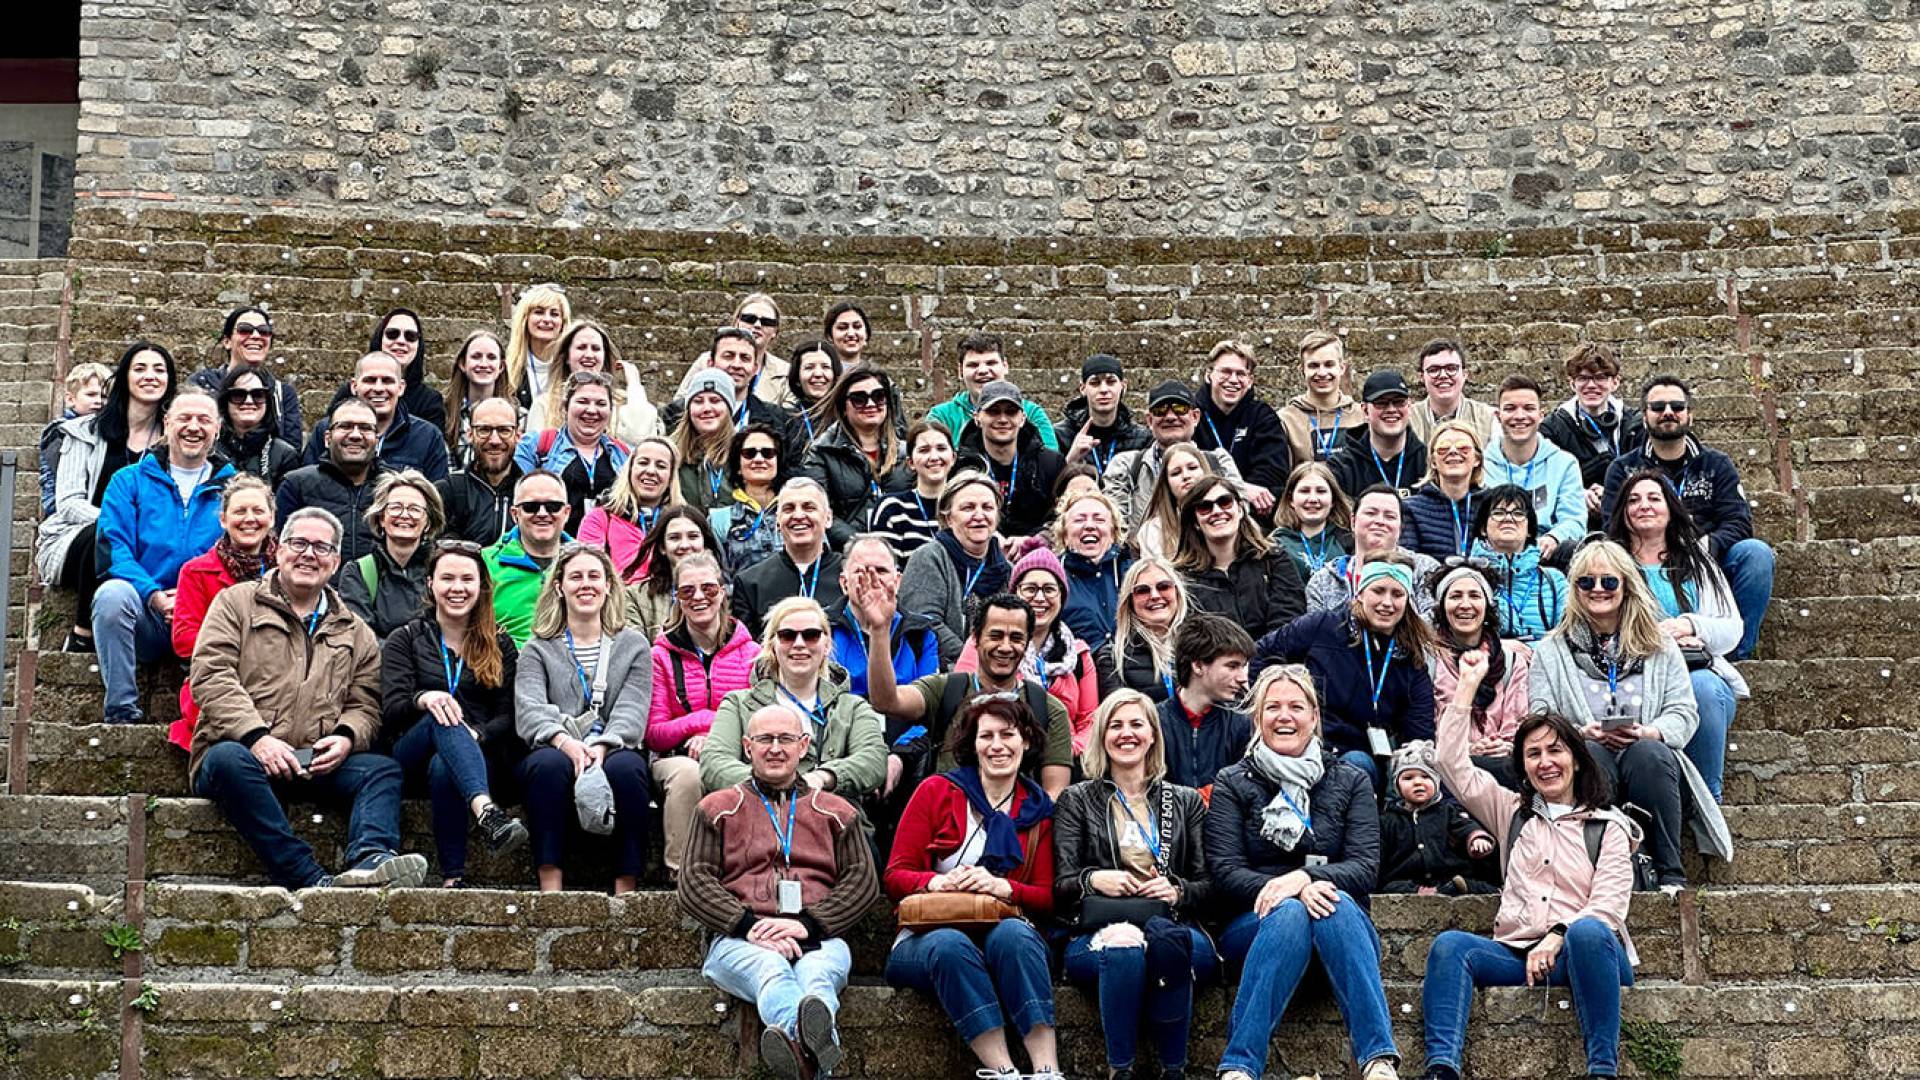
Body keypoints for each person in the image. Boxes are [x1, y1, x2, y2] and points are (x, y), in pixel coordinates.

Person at [187, 507, 429, 890]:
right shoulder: (236, 604)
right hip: (242, 753)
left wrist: (347, 737)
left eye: (321, 547)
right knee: (227, 760)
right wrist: (257, 738)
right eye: (298, 543)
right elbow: (211, 676)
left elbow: (366, 702)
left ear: (335, 562)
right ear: (279, 550)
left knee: (382, 770)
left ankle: (371, 860)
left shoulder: (356, 630)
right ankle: (307, 877)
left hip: (313, 760)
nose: (308, 554)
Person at [1421, 664, 1643, 1080]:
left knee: (1587, 931)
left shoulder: (1607, 826)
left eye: (1555, 750)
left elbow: (1608, 908)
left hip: (1588, 956)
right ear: (1522, 766)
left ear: (1576, 759)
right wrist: (1467, 687)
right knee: (1451, 946)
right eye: (1534, 754)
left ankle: (1602, 1070)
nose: (1546, 763)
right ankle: (1441, 1069)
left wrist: (1557, 935)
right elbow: (1450, 764)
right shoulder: (1512, 815)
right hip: (1518, 953)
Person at [1206, 663, 1400, 1080]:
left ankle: (1378, 1062)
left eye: (1296, 706)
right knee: (1294, 911)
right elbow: (1225, 871)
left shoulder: (1349, 779)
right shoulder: (1232, 781)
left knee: (1336, 903)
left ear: (1314, 716)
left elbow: (1366, 867)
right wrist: (1290, 891)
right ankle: (1239, 1067)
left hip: (1341, 930)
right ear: (1258, 718)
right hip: (1256, 927)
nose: (1284, 716)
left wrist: (1307, 880)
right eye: (1272, 707)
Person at [679, 701, 881, 1080]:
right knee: (772, 970)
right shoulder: (716, 808)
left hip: (820, 936)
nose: (775, 748)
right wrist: (749, 926)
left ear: (803, 746)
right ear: (746, 745)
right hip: (739, 940)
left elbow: (863, 882)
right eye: (765, 739)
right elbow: (693, 880)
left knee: (816, 978)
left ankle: (800, 1057)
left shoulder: (837, 811)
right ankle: (807, 1041)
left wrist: (810, 925)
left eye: (785, 739)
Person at [1530, 541, 1732, 889]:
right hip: (1585, 761)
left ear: (1626, 586)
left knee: (1648, 754)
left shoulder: (1660, 644)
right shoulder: (1550, 650)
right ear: (1574, 588)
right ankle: (1604, 870)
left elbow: (1684, 712)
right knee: (1590, 755)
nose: (1597, 590)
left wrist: (1650, 732)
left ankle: (1670, 871)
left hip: (1651, 765)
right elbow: (1540, 717)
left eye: (1608, 582)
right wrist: (1581, 733)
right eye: (1586, 582)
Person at [882, 696, 1063, 1080]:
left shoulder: (1039, 809)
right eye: (987, 736)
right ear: (973, 744)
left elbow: (1048, 897)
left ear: (1026, 741)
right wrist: (940, 881)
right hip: (926, 938)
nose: (997, 745)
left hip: (1004, 936)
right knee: (952, 945)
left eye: (1008, 734)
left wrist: (1002, 887)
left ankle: (1048, 1069)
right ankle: (1005, 1070)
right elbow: (896, 875)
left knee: (1015, 933)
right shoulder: (936, 791)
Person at [1052, 690, 1218, 1080]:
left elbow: (1210, 884)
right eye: (1116, 725)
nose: (1126, 734)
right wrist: (1095, 879)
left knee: (1165, 942)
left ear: (1153, 735)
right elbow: (1060, 884)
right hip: (1097, 930)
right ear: (1101, 736)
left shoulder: (1185, 801)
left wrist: (1177, 889)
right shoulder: (1077, 800)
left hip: (1174, 925)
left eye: (1136, 724)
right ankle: (1120, 1071)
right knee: (1125, 946)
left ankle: (1172, 1071)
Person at [379, 541, 529, 887]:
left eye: (467, 579)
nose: (457, 588)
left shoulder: (499, 643)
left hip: (476, 754)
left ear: (481, 586)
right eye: (447, 578)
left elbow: (508, 716)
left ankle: (453, 877)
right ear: (430, 583)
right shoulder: (405, 638)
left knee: (446, 765)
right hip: (412, 752)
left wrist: (478, 735)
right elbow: (392, 709)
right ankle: (487, 813)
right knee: (440, 713)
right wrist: (424, 698)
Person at [513, 543, 655, 893]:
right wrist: (566, 743)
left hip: (614, 744)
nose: (585, 584)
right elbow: (529, 706)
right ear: (559, 586)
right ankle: (550, 882)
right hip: (556, 744)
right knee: (547, 767)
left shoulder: (633, 645)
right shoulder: (537, 647)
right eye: (575, 576)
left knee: (627, 771)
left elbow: (633, 707)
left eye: (594, 576)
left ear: (609, 585)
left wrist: (602, 748)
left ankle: (626, 885)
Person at [1602, 374, 1774, 660]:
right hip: (1646, 560)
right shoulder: (1623, 469)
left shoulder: (1716, 464)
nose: (1667, 412)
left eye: (1676, 406)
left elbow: (1738, 521)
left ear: (1689, 415)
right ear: (1644, 417)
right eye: (1657, 407)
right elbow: (1613, 525)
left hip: (1706, 558)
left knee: (1756, 554)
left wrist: (1706, 546)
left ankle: (1734, 653)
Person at [1608, 471, 1749, 803]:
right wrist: (1661, 642)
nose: (1644, 506)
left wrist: (1690, 626)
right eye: (1633, 500)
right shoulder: (1610, 564)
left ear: (1671, 508)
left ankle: (1705, 803)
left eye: (1654, 498)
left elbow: (1732, 629)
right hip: (1636, 680)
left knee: (1704, 688)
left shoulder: (1698, 563)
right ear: (1623, 512)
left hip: (1695, 676)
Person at [95, 391, 234, 725]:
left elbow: (244, 551)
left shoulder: (233, 487)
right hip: (149, 613)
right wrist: (154, 595)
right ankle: (121, 712)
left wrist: (192, 600)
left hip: (209, 616)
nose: (193, 427)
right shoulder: (128, 481)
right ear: (167, 423)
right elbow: (114, 548)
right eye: (184, 418)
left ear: (217, 429)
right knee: (111, 597)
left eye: (203, 420)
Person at [37, 341, 176, 653]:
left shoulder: (174, 439)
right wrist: (118, 521)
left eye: (159, 369)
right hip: (77, 537)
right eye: (140, 369)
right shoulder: (82, 430)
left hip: (145, 539)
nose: (150, 376)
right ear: (124, 377)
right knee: (106, 533)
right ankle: (82, 632)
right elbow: (69, 503)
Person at [1254, 556, 1436, 789]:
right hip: (1307, 742)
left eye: (1397, 594)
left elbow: (1419, 732)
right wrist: (1264, 707)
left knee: (1359, 766)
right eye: (1378, 591)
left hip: (1364, 756)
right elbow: (1262, 653)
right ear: (1360, 593)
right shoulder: (1323, 625)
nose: (1387, 602)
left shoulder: (1411, 656)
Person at [699, 597, 889, 809]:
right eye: (787, 635)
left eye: (811, 635)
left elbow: (874, 760)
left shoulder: (853, 707)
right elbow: (713, 763)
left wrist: (824, 777)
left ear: (826, 645)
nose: (799, 644)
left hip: (832, 821)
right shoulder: (737, 704)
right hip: (756, 817)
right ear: (772, 645)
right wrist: (771, 784)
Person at [647, 552, 762, 876]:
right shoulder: (661, 655)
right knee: (689, 775)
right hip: (675, 757)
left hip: (736, 753)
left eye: (708, 589)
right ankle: (685, 874)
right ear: (676, 598)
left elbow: (758, 720)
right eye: (687, 591)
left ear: (723, 591)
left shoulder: (751, 654)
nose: (699, 597)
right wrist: (700, 725)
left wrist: (714, 736)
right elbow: (654, 731)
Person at [956, 548, 1103, 759]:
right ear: (1015, 593)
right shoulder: (983, 644)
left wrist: (1066, 750)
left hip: (1066, 762)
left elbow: (1089, 720)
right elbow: (965, 698)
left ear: (1062, 596)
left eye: (1050, 589)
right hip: (999, 756)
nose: (1040, 597)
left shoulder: (1079, 655)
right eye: (1030, 589)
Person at [170, 474, 277, 751]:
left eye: (258, 511)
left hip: (279, 679)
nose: (249, 519)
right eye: (239, 511)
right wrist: (250, 652)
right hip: (220, 675)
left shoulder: (290, 571)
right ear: (223, 520)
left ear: (273, 517)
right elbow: (184, 640)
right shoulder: (195, 571)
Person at [1425, 562, 1533, 790]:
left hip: (1502, 761)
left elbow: (1520, 718)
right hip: (1447, 762)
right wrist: (1466, 748)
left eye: (1474, 595)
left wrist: (1506, 746)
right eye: (1455, 596)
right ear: (1442, 606)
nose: (1465, 605)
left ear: (1487, 605)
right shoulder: (1428, 659)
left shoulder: (1512, 660)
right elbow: (1427, 722)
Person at [1170, 476, 1306, 639]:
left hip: (1274, 660)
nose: (1217, 511)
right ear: (1196, 522)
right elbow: (1192, 635)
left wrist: (1261, 660)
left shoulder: (1274, 559)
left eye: (1225, 502)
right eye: (1205, 507)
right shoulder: (1182, 578)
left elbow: (1289, 618)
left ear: (1240, 510)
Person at [897, 471, 1009, 664]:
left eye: (988, 507)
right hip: (942, 672)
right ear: (948, 518)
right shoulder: (929, 557)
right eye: (968, 508)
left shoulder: (1006, 569)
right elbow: (925, 623)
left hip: (998, 670)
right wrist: (974, 663)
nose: (979, 515)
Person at [1105, 381, 1240, 531]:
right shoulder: (1126, 465)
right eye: (1160, 410)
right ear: (1149, 420)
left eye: (1179, 409)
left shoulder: (1219, 462)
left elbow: (1241, 513)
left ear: (1195, 417)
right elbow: (1115, 521)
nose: (1170, 416)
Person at [798, 366, 913, 536]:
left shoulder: (907, 452)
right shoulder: (822, 452)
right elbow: (819, 509)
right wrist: (860, 544)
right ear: (843, 407)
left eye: (878, 396)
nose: (871, 404)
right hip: (847, 552)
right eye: (859, 399)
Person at [278, 397, 391, 569]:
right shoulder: (296, 485)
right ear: (327, 438)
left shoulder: (393, 488)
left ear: (377, 440)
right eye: (345, 426)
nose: (355, 435)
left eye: (365, 428)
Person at [514, 370, 633, 531]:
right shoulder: (536, 446)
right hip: (553, 548)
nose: (592, 410)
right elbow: (519, 500)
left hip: (609, 551)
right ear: (565, 407)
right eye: (583, 401)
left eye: (601, 404)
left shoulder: (623, 454)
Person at [1484, 375, 1585, 565]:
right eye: (1510, 408)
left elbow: (1575, 520)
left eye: (1529, 408)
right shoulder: (1481, 465)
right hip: (1494, 554)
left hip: (1546, 555)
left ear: (1541, 415)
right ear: (1498, 416)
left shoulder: (1565, 463)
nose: (1520, 416)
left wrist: (1555, 537)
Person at [303, 352, 450, 482]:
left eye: (387, 381)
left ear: (401, 387)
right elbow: (308, 483)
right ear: (354, 386)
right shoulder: (326, 429)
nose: (379, 389)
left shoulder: (427, 436)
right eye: (370, 380)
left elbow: (436, 500)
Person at [1540, 341, 1643, 528]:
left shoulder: (1635, 424)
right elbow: (1545, 482)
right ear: (1572, 383)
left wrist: (1614, 492)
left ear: (1615, 382)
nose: (1591, 385)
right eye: (1583, 378)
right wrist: (1580, 494)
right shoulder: (1551, 429)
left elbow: (1647, 473)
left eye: (1600, 378)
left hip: (1629, 515)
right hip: (1573, 519)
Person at [1376, 745, 1498, 896]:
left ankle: (1460, 887)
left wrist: (1476, 838)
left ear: (1437, 782)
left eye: (1425, 777)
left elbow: (1464, 826)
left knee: (1476, 884)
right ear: (1397, 787)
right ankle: (1425, 892)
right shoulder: (1388, 820)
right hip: (1409, 880)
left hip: (1447, 876)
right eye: (1408, 778)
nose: (1418, 782)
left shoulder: (1448, 811)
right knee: (1390, 886)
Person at [732, 477, 846, 639]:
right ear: (778, 521)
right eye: (788, 509)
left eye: (809, 507)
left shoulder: (850, 575)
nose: (798, 515)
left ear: (828, 518)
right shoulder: (750, 583)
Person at [827, 535, 940, 697]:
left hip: (903, 720)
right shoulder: (820, 629)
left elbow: (927, 704)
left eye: (881, 571)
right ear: (844, 583)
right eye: (861, 571)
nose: (873, 578)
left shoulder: (922, 633)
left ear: (897, 581)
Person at [1303, 487, 1441, 619]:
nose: (1380, 521)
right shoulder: (1323, 580)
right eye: (1371, 513)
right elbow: (1318, 633)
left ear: (1400, 527)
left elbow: (1432, 626)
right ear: (1353, 521)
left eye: (1390, 516)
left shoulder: (1425, 569)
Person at [956, 380, 1067, 541]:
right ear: (977, 417)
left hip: (1039, 554)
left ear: (1022, 418)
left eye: (1011, 412)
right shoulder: (962, 465)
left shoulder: (1050, 463)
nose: (1002, 419)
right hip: (977, 549)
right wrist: (988, 537)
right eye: (993, 411)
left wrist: (1035, 539)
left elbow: (1063, 516)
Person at [340, 470, 445, 639]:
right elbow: (361, 636)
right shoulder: (359, 572)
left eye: (415, 509)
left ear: (428, 522)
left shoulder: (441, 571)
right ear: (381, 518)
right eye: (395, 507)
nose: (404, 515)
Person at [1194, 340, 1291, 517]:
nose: (1233, 380)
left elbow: (1272, 473)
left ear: (1250, 380)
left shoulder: (1263, 416)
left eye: (1241, 374)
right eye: (1225, 372)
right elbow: (1187, 471)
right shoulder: (1192, 415)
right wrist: (1241, 488)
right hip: (1201, 511)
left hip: (1250, 516)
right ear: (1209, 374)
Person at [1159, 614, 1254, 790]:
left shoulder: (1243, 724)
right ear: (1198, 666)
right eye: (1232, 666)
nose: (1243, 678)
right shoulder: (1153, 723)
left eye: (1244, 667)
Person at [1468, 484, 1570, 643]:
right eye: (1498, 513)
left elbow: (1566, 638)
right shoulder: (1467, 578)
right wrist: (1503, 649)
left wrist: (1530, 651)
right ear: (1483, 528)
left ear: (1529, 529)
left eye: (1518, 513)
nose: (1508, 518)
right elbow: (1459, 639)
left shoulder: (1555, 582)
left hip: (1542, 665)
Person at [925, 332, 1060, 450]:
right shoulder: (942, 416)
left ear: (1005, 366)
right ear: (960, 371)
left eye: (991, 363)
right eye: (973, 365)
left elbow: (1050, 461)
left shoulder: (1032, 413)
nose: (983, 371)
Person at [483, 470, 572, 646]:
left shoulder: (590, 563)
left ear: (567, 512)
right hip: (507, 666)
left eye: (553, 506)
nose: (542, 513)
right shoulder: (485, 563)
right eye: (530, 507)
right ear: (515, 514)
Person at [188, 306, 302, 443]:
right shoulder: (202, 384)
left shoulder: (283, 394)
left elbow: (291, 449)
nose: (255, 336)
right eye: (245, 330)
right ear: (227, 341)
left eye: (264, 331)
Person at [530, 320, 657, 442]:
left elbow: (640, 437)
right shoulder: (544, 405)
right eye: (581, 347)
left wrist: (634, 383)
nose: (589, 355)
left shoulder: (623, 403)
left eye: (596, 348)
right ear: (567, 356)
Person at [578, 436, 682, 583]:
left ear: (671, 476)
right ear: (630, 469)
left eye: (661, 466)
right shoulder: (599, 519)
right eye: (643, 463)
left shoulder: (683, 522)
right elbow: (588, 573)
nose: (651, 471)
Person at [670, 299, 795, 413]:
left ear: (775, 331)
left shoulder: (785, 372)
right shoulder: (705, 362)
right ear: (736, 322)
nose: (757, 325)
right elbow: (679, 405)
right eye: (749, 319)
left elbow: (788, 419)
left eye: (767, 322)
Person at [623, 506, 726, 641]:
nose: (684, 545)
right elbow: (635, 651)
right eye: (674, 538)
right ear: (662, 547)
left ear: (705, 543)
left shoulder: (724, 593)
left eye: (693, 536)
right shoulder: (635, 596)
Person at [436, 397, 524, 546]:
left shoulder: (530, 495)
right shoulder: (449, 490)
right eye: (484, 430)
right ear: (470, 434)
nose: (494, 440)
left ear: (518, 435)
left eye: (504, 430)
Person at [1329, 370, 1427, 500]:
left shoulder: (1428, 461)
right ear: (1365, 410)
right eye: (1381, 403)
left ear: (1409, 406)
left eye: (1399, 402)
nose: (1391, 409)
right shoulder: (1342, 467)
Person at [1055, 489, 1130, 653]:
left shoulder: (1133, 574)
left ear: (1113, 532)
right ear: (1065, 535)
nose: (1089, 525)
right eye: (1079, 520)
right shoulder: (1053, 578)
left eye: (1099, 519)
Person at [1400, 419, 1486, 561]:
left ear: (1477, 459)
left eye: (1463, 448)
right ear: (1433, 461)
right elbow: (1410, 561)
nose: (1453, 452)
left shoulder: (1491, 505)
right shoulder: (1411, 508)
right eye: (1443, 449)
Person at [869, 421, 956, 560]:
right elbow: (886, 569)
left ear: (953, 458)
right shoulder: (892, 507)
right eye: (924, 450)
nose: (934, 457)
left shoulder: (967, 507)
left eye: (941, 448)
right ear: (911, 463)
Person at [1057, 353, 1152, 476]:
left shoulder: (1142, 439)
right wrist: (1071, 459)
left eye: (1111, 381)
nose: (1103, 390)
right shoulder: (1061, 435)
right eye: (1095, 383)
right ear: (1083, 388)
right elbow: (1048, 490)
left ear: (1123, 386)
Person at [710, 424, 789, 572]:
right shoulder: (719, 520)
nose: (759, 459)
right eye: (749, 453)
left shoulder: (799, 513)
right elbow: (717, 576)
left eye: (768, 453)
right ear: (738, 466)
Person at [1112, 557, 1190, 705]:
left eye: (1163, 586)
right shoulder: (1113, 657)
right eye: (1142, 590)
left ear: (1177, 592)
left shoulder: (1204, 644)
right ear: (1129, 602)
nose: (1154, 596)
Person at [357, 307, 448, 431]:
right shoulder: (351, 393)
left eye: (410, 336)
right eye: (392, 334)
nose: (400, 341)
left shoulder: (429, 401)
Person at [37, 360, 109, 515]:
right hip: (60, 507)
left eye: (104, 396)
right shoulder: (60, 431)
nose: (98, 401)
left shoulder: (105, 430)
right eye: (90, 395)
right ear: (70, 399)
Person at [1279, 329, 1358, 466]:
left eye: (1329, 364)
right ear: (1302, 370)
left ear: (1342, 368)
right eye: (1314, 365)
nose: (1322, 373)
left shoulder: (1362, 416)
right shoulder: (1286, 420)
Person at [1128, 440, 1214, 562]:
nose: (1186, 476)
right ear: (1167, 483)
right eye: (1176, 473)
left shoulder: (1223, 515)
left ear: (1205, 471)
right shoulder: (1153, 531)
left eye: (1192, 468)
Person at [213, 366, 299, 486]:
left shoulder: (284, 455)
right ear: (225, 401)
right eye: (238, 395)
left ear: (267, 402)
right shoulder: (210, 450)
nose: (249, 401)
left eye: (258, 395)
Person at [1270, 461, 1353, 584]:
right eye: (1304, 491)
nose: (1313, 499)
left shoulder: (1350, 543)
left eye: (1321, 491)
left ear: (1333, 500)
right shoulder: (1275, 544)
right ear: (1290, 499)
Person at [670, 368, 739, 514]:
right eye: (698, 401)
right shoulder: (671, 454)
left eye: (715, 400)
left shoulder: (746, 453)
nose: (707, 408)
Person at [441, 330, 511, 470]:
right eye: (476, 357)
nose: (484, 364)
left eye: (491, 357)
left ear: (501, 367)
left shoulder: (519, 416)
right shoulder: (445, 412)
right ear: (462, 364)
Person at [1407, 339, 1496, 445]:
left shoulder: (1489, 419)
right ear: (1422, 377)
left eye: (1451, 368)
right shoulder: (1408, 420)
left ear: (1464, 374)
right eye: (1434, 370)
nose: (1443, 375)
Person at [503, 282, 571, 409]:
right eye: (539, 312)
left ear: (563, 323)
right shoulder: (508, 371)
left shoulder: (571, 368)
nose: (547, 319)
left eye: (554, 314)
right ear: (525, 319)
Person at [783, 337, 843, 452]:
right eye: (809, 367)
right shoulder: (785, 421)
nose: (818, 374)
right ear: (797, 378)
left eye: (825, 367)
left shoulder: (846, 417)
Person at [824, 301, 869, 367]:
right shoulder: (822, 375)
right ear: (829, 336)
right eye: (842, 328)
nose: (851, 334)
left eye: (857, 326)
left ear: (866, 334)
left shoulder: (878, 376)